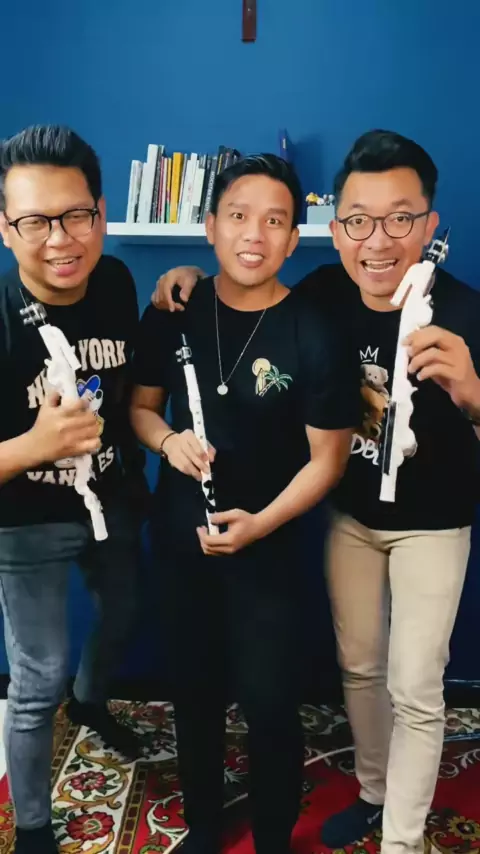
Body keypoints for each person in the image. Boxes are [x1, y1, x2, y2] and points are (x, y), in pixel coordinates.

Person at [151, 130, 480, 854]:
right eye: (359, 220)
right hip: (350, 517)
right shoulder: (325, 293)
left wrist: (475, 394)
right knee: (358, 665)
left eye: (401, 219)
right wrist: (185, 274)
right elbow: (246, 289)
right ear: (334, 231)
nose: (378, 240)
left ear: (429, 223)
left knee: (415, 685)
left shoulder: (467, 313)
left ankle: (401, 841)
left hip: (433, 522)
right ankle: (373, 791)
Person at [130, 153, 358, 854]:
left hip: (272, 548)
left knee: (270, 703)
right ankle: (203, 825)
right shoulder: (172, 311)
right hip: (182, 542)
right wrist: (168, 441)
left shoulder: (315, 329)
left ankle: (272, 835)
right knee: (193, 693)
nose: (254, 234)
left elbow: (329, 459)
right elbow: (141, 409)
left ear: (293, 238)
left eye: (275, 221)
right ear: (210, 227)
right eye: (237, 215)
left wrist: (259, 525)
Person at [0, 125, 148, 854]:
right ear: (5, 228)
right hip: (23, 519)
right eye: (35, 221)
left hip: (112, 501)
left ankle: (89, 705)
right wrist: (34, 445)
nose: (60, 239)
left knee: (125, 612)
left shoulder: (116, 282)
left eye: (77, 215)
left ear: (102, 214)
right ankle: (32, 830)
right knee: (37, 677)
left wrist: (183, 285)